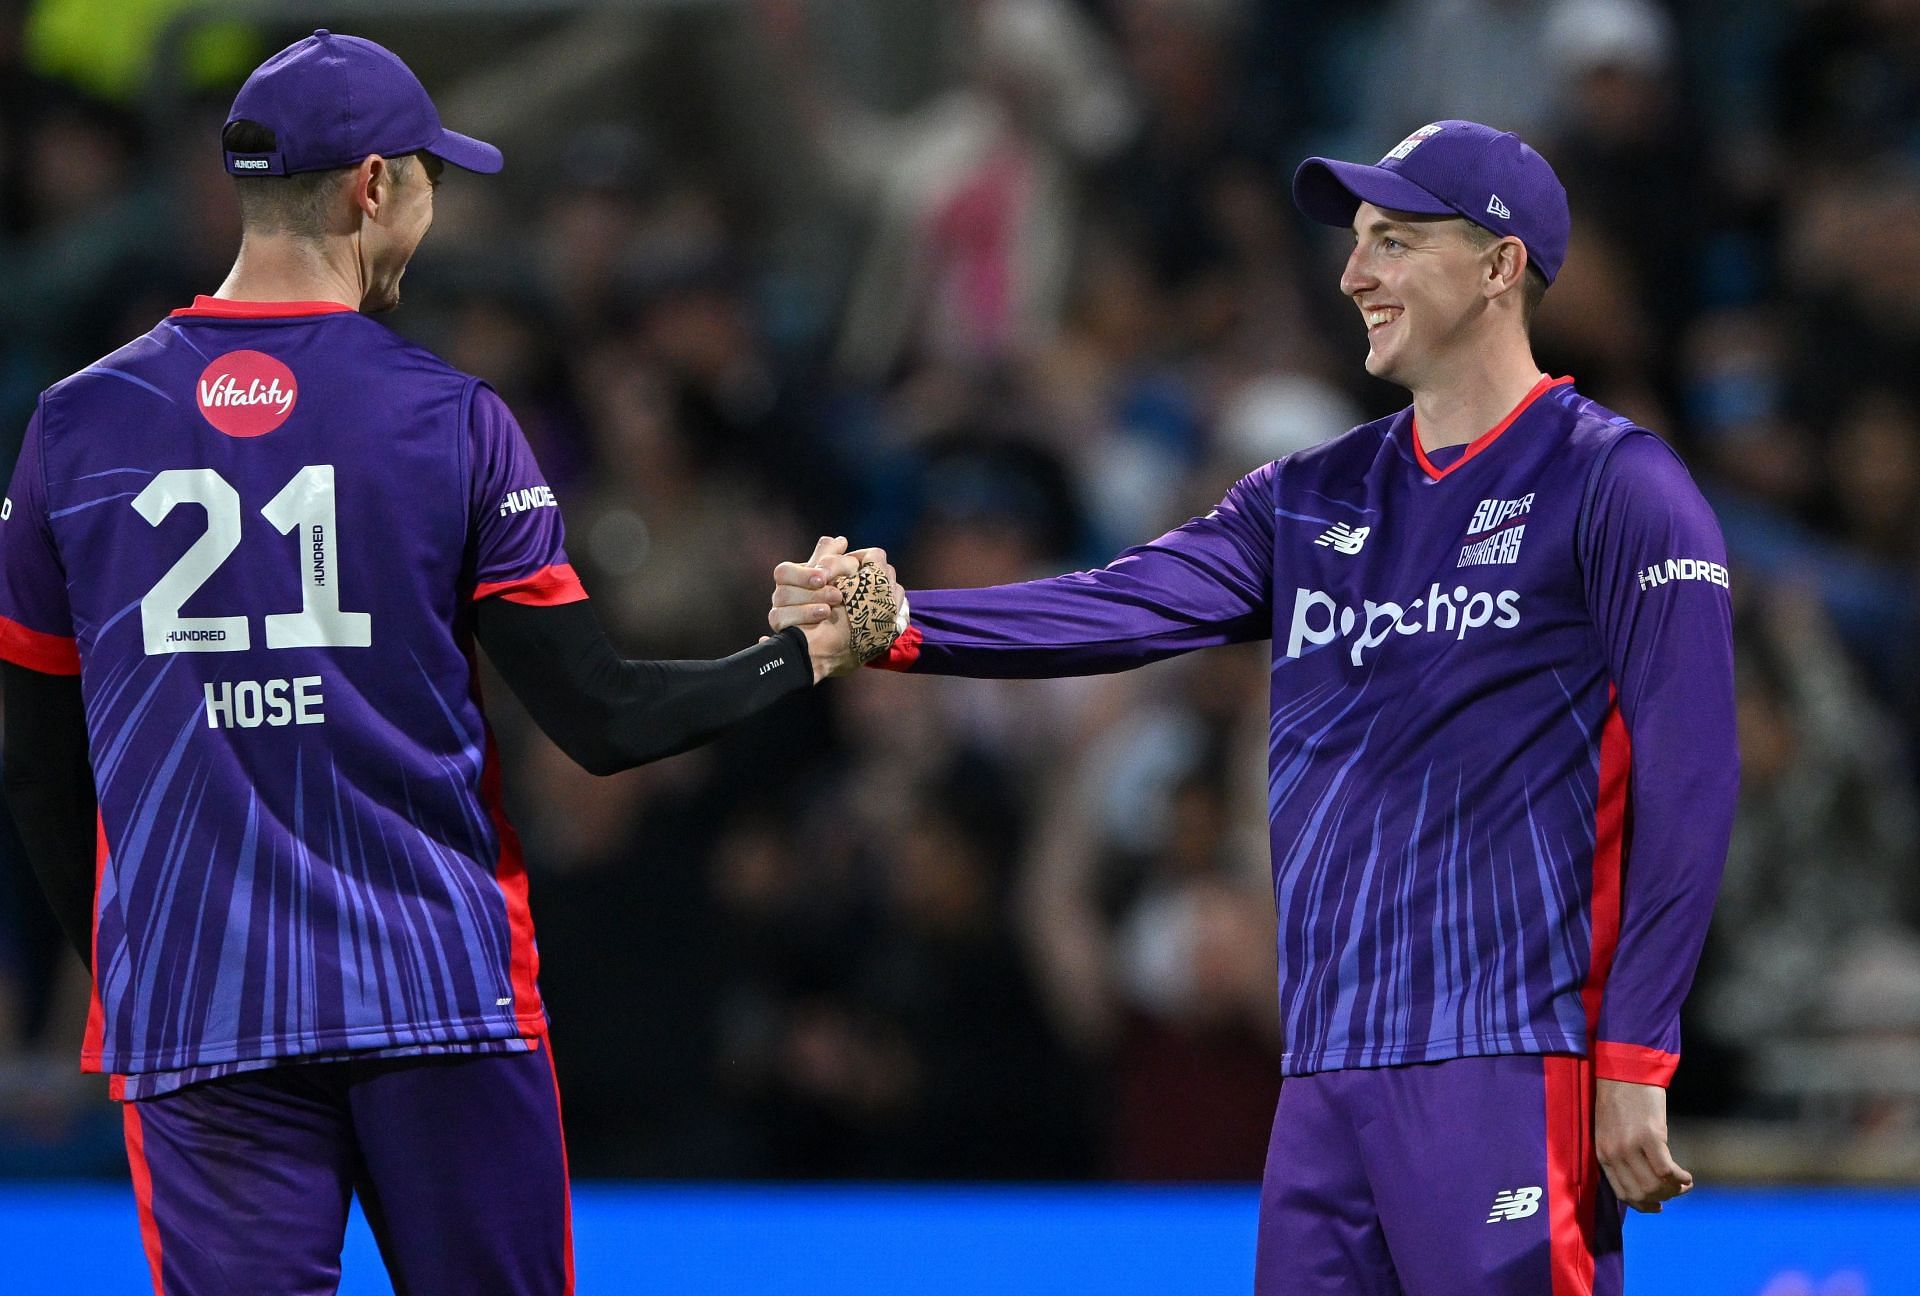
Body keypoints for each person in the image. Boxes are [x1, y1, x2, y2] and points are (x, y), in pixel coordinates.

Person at [772, 120, 1737, 1294]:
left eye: (1396, 242)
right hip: (1325, 1071)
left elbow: (1692, 780)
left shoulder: (1616, 484)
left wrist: (1635, 1049)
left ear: (1500, 267)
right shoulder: (1306, 498)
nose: (1355, 274)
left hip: (1511, 1056)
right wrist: (900, 619)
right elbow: (1116, 605)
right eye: (1356, 243)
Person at [0, 31, 892, 1296]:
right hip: (433, 995)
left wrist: (138, 958)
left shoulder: (72, 425)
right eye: (426, 178)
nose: (430, 209)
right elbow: (604, 717)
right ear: (372, 188)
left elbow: (33, 761)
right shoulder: (451, 419)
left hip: (197, 1015)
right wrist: (805, 652)